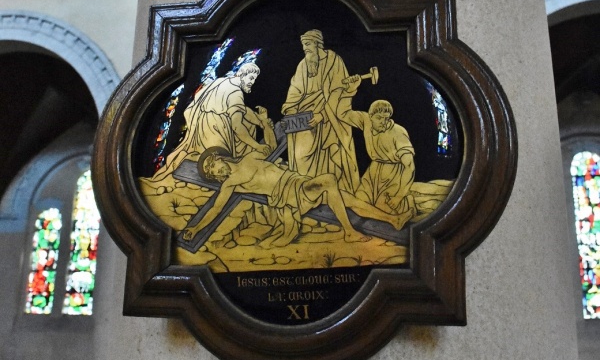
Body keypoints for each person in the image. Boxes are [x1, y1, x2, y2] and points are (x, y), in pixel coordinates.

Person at [183, 149, 408, 244]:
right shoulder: (231, 184)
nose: (218, 172)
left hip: (296, 181)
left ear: (220, 158)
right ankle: (349, 232)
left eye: (216, 167)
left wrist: (264, 124)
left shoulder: (247, 158)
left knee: (348, 199)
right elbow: (215, 209)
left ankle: (393, 220)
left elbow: (269, 146)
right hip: (291, 195)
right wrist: (195, 228)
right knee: (329, 180)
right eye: (213, 175)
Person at [340, 89, 453, 227]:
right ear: (371, 116)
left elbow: (409, 166)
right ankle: (398, 214)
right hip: (373, 172)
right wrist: (349, 90)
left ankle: (408, 203)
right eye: (379, 118)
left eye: (386, 118)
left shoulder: (398, 133)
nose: (383, 122)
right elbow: (342, 114)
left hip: (394, 173)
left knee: (384, 206)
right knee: (358, 203)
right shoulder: (365, 121)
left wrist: (399, 195)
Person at [152, 63, 270, 181]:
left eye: (254, 79)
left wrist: (259, 120)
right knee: (246, 132)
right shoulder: (235, 92)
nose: (252, 82)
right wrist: (256, 146)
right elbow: (237, 125)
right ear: (242, 74)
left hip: (199, 129)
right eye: (251, 78)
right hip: (216, 133)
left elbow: (241, 109)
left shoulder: (221, 82)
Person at [282, 29, 359, 193]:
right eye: (303, 45)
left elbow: (339, 92)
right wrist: (290, 108)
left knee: (332, 154)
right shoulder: (303, 65)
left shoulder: (334, 61)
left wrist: (322, 115)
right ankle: (308, 192)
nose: (305, 49)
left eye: (308, 44)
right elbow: (295, 89)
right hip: (304, 117)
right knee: (300, 154)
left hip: (329, 115)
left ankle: (330, 193)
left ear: (318, 44)